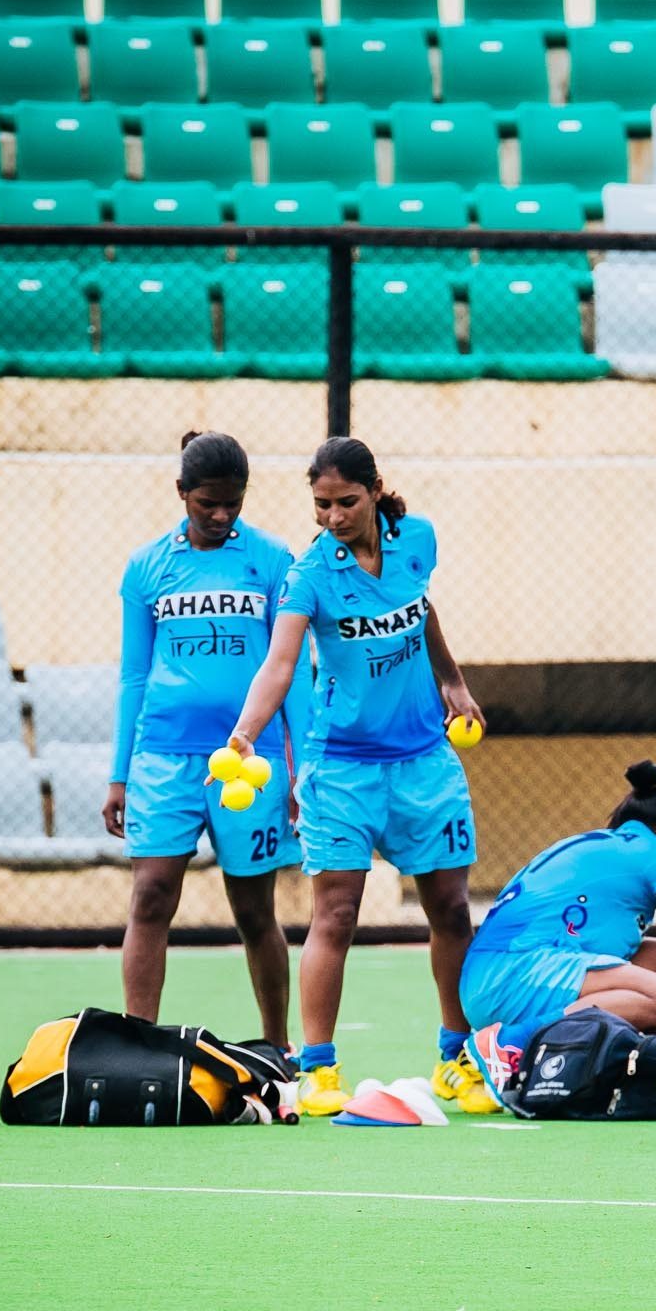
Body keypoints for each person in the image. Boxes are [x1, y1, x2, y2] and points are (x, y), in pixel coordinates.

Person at [227, 437, 486, 1117]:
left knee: (452, 910)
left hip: (426, 761)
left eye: (346, 502)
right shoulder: (309, 576)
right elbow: (280, 664)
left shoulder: (416, 541)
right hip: (341, 769)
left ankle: (456, 1058)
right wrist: (246, 735)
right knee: (335, 915)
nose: (334, 516)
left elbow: (420, 607)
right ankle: (318, 1069)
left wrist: (452, 681)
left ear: (375, 490)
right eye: (321, 505)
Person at [104, 431, 311, 1046]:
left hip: (252, 761)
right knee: (151, 897)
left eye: (234, 503)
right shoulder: (147, 567)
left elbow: (290, 669)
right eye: (208, 505)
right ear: (182, 494)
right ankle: (138, 1047)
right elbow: (134, 674)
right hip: (163, 757)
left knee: (254, 912)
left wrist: (302, 763)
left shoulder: (273, 561)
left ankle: (277, 1045)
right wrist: (120, 773)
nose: (222, 516)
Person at [463, 762, 656, 1105]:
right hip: (518, 976)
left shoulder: (600, 845)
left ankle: (582, 1063)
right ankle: (512, 1044)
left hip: (489, 983)